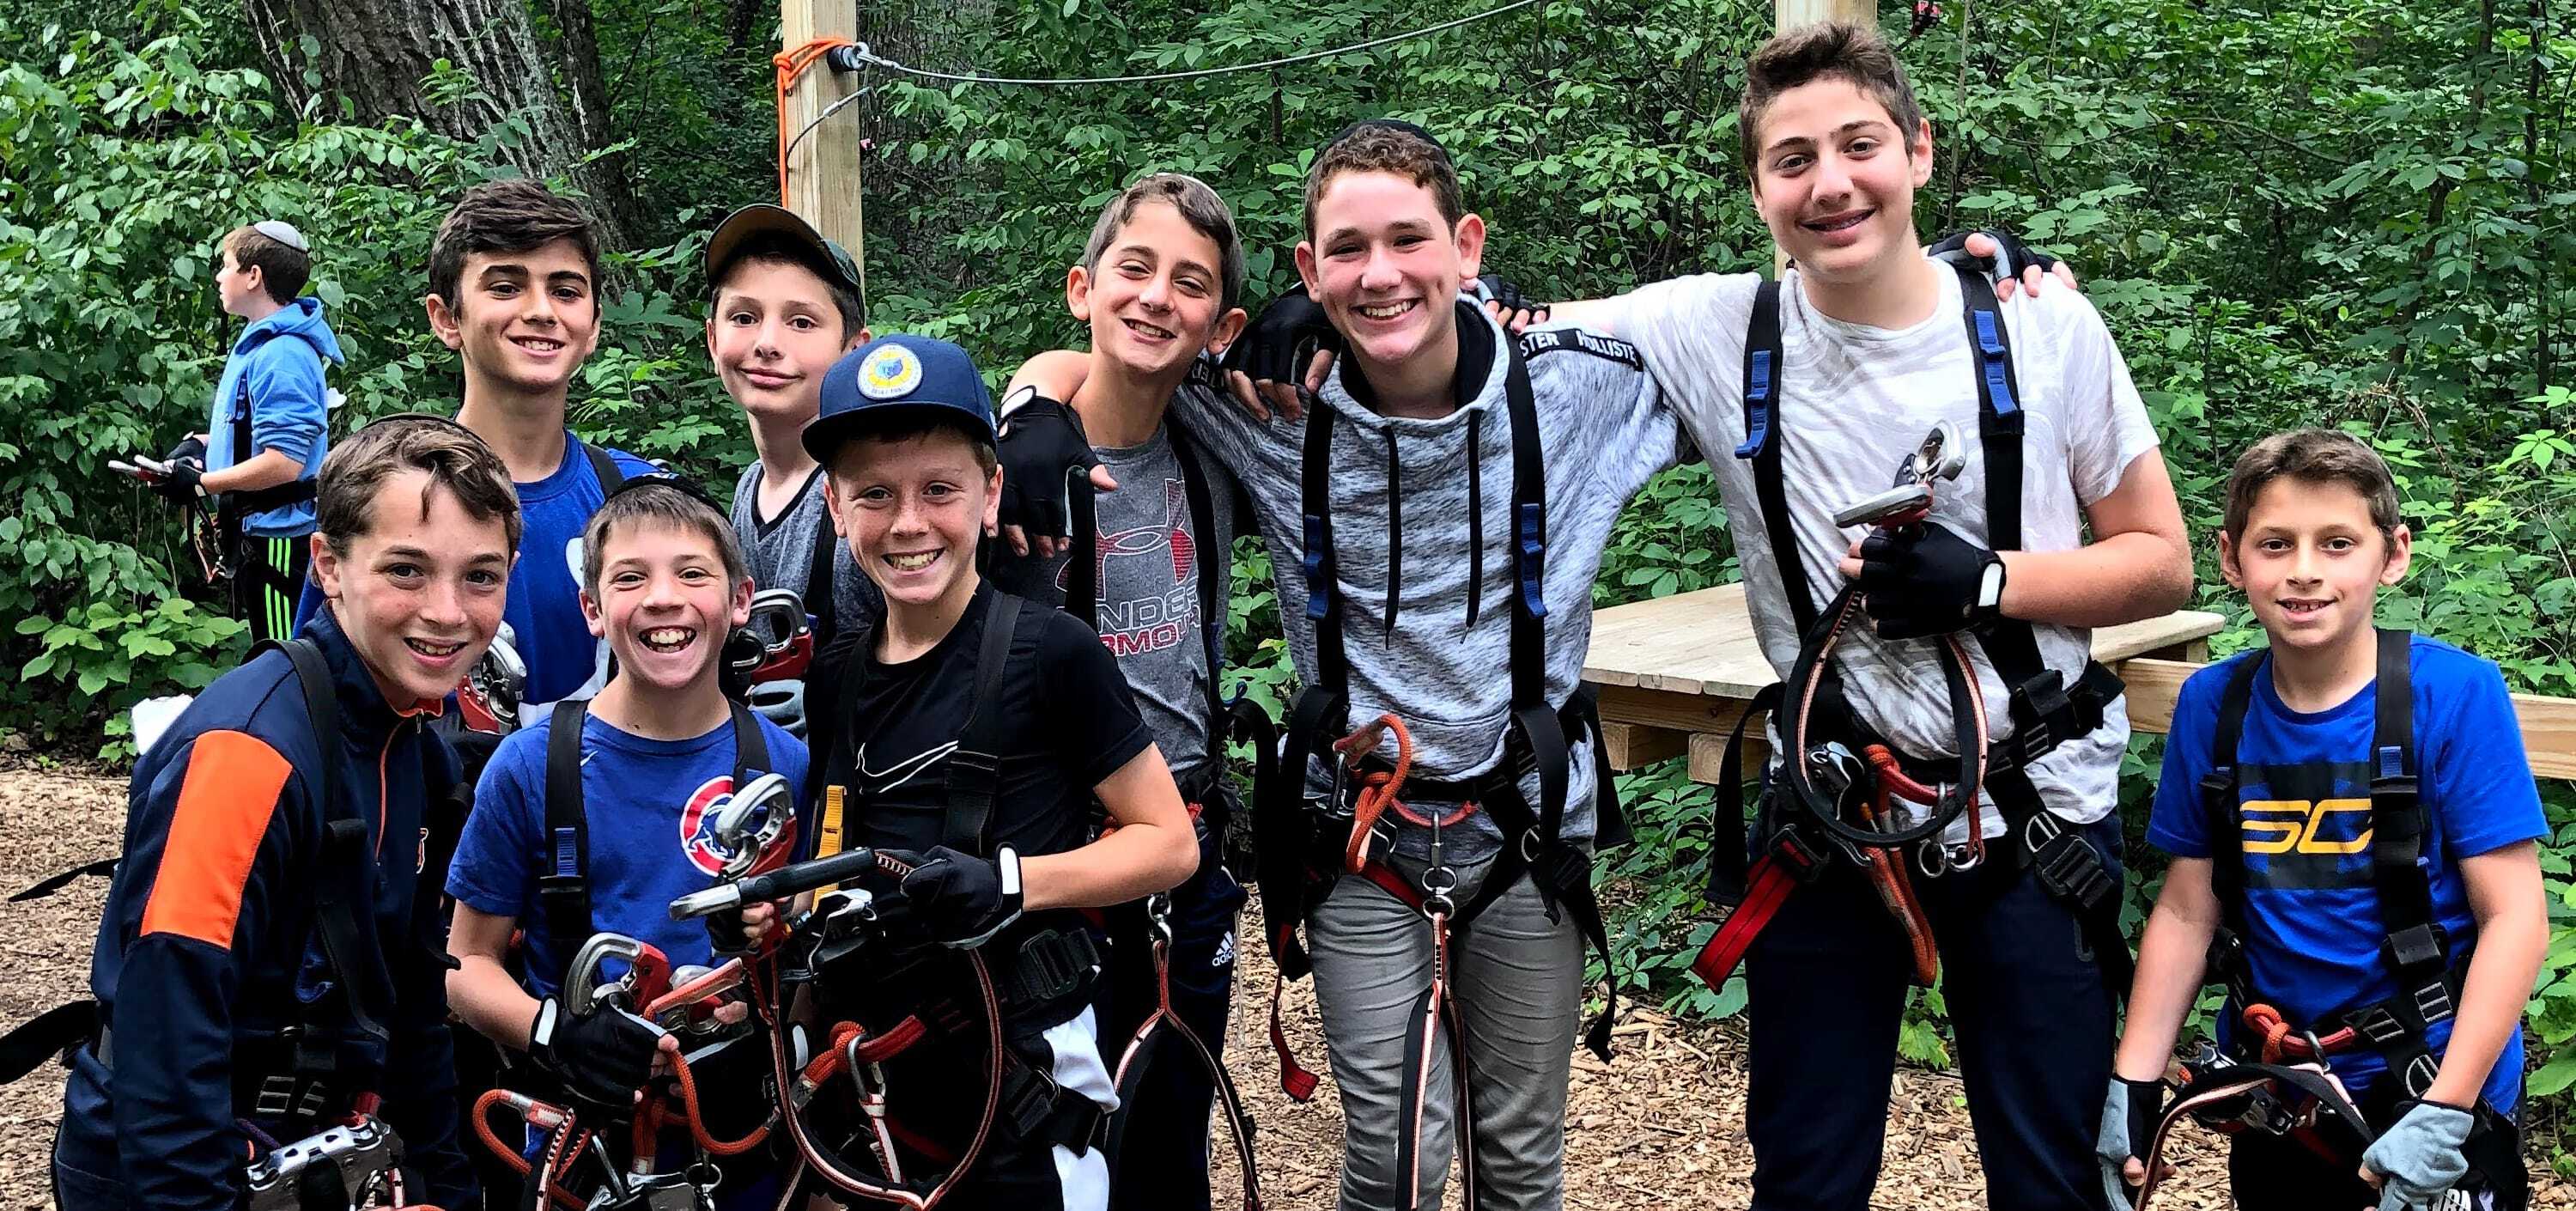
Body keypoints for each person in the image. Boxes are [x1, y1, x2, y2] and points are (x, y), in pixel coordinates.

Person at [1523, 23, 2191, 1211]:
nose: (1830, 183)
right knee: (1807, 1177)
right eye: (1793, 160)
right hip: (1835, 808)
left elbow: (2161, 560)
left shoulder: (2042, 326)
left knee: (2058, 1183)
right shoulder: (1712, 329)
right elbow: (1486, 332)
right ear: (1757, 189)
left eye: (1860, 145)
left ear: (1920, 151)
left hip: (2033, 814)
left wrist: (1992, 582)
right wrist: (1317, 329)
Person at [1012, 123, 1684, 1211]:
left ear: (1465, 246)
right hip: (1358, 832)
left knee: (1519, 1154)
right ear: (1308, 274)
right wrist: (1032, 405)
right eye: (1346, 251)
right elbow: (1112, 358)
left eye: (1408, 240)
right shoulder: (1267, 405)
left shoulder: (1568, 390)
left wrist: (1956, 276)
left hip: (1524, 822)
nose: (1380, 274)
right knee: (1390, 1157)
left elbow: (1771, 338)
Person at [49, 414, 515, 1210]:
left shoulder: (414, 745)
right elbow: (169, 1030)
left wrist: (448, 1182)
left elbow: (411, 1007)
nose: (447, 612)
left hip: (297, 1152)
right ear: (327, 565)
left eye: (480, 576)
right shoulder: (248, 752)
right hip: (171, 1168)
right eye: (406, 571)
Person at [797, 333, 1198, 1209]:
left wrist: (1013, 883)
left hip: (1024, 1080)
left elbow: (1168, 845)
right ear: (835, 508)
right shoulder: (835, 674)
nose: (908, 523)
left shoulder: (1053, 653)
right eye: (875, 495)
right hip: (880, 1087)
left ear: (991, 497)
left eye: (939, 490)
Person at [2101, 429, 2544, 1211]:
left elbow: (2512, 915)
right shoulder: (2216, 706)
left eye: (2337, 543)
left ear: (2392, 554)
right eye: (2276, 544)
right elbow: (2185, 906)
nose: (2305, 570)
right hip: (2284, 1090)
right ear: (2233, 559)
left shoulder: (2453, 695)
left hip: (2429, 1078)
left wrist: (2448, 1108)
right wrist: (2134, 1079)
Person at [987, 172, 1253, 1211]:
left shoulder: (1216, 442)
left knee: (1172, 1138)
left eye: (1190, 284)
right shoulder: (1012, 461)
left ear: (1218, 323)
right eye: (1133, 269)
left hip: (1187, 845)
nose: (1155, 298)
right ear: (1081, 287)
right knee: (1054, 1152)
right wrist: (1029, 404)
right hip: (1054, 850)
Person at [443, 477, 810, 1208]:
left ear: (740, 601)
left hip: (737, 1144)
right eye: (631, 578)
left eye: (693, 573)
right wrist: (555, 1033)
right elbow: (463, 967)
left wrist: (770, 1000)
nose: (664, 598)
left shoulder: (782, 764)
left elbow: (800, 943)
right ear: (592, 609)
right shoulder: (533, 766)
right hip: (581, 1148)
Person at [296, 180, 658, 714]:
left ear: (594, 325)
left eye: (565, 290)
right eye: (506, 287)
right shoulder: (380, 500)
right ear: (446, 318)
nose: (541, 311)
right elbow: (323, 701)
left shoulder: (640, 498)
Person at [704, 204, 884, 739]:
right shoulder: (746, 491)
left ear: (855, 350)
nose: (767, 342)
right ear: (713, 339)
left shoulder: (873, 498)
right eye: (744, 317)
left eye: (801, 322)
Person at [163, 220, 343, 642]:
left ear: (254, 276)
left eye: (226, 265)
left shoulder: (283, 354)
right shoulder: (261, 344)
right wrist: (201, 447)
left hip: (282, 540)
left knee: (280, 658)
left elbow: (285, 462)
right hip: (260, 536)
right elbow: (253, 434)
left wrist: (202, 483)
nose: (219, 276)